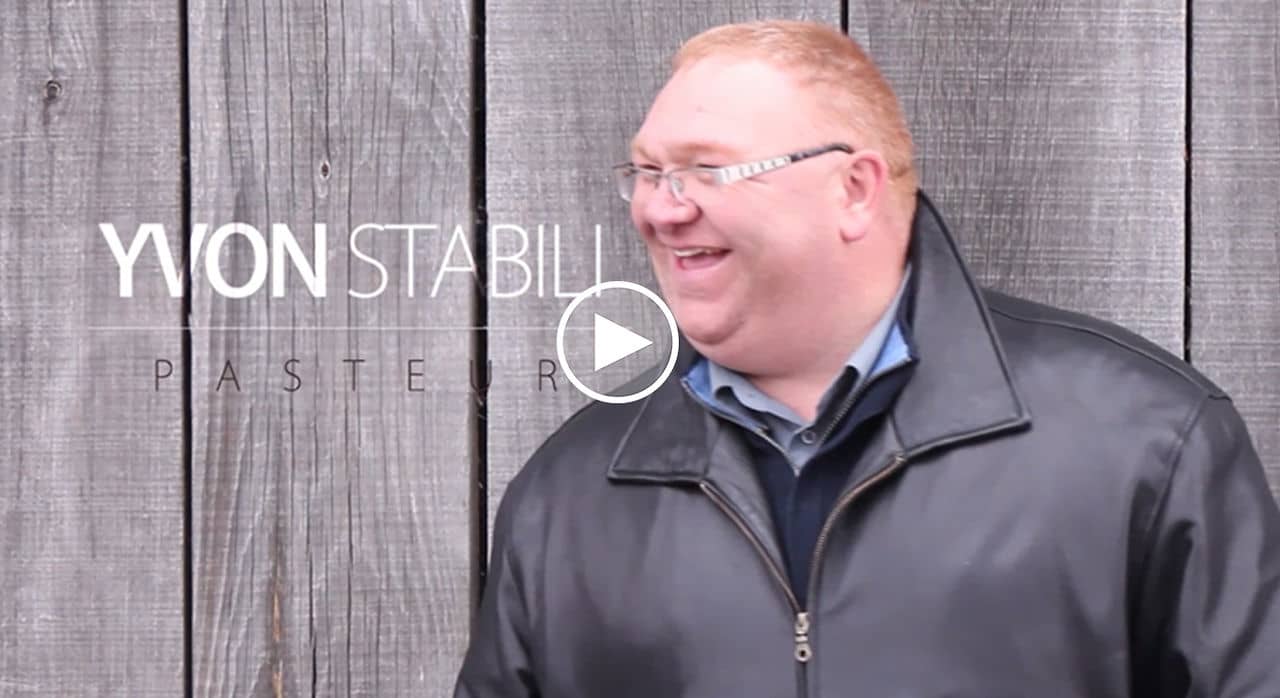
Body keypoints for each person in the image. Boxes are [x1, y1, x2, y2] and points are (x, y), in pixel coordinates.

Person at [455, 19, 1280, 697]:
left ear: (853, 189)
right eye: (647, 172)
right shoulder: (569, 495)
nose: (659, 210)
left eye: (706, 169)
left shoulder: (1145, 442)